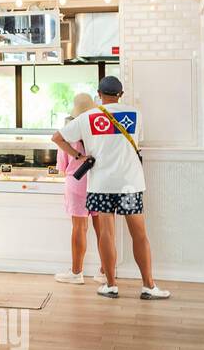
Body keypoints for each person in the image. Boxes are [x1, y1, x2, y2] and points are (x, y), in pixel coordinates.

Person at [52, 76, 170, 300]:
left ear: (99, 94)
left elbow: (57, 138)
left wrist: (78, 156)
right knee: (139, 234)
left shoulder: (88, 117)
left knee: (106, 233)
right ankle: (148, 286)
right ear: (121, 95)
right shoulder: (135, 114)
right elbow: (137, 141)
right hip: (129, 184)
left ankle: (110, 285)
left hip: (101, 185)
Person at [54, 92, 98, 285]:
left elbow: (62, 167)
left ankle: (76, 273)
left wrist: (77, 157)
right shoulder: (98, 131)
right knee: (104, 229)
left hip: (77, 182)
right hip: (98, 182)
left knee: (79, 228)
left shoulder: (68, 132)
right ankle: (105, 272)